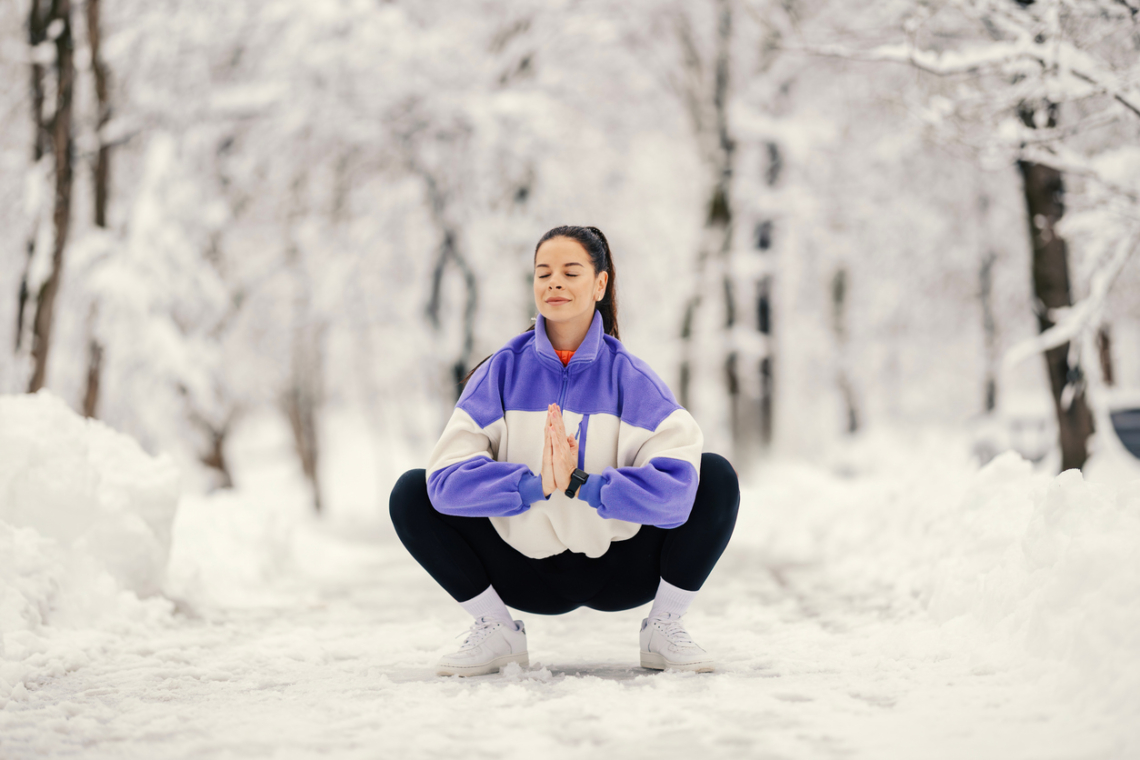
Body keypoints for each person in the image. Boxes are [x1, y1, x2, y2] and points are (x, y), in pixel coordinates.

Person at [389, 225, 740, 676]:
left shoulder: (632, 379)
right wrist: (534, 485)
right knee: (411, 491)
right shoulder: (500, 373)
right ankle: (495, 630)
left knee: (714, 475)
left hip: (621, 568)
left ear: (600, 284)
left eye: (570, 272)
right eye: (543, 273)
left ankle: (664, 627)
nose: (554, 282)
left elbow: (677, 495)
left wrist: (584, 486)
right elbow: (443, 484)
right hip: (522, 570)